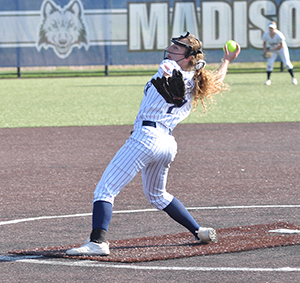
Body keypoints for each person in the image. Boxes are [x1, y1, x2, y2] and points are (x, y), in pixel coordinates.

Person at [66, 32, 240, 256]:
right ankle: (198, 231)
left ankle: (97, 242)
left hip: (146, 138)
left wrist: (169, 70)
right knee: (157, 195)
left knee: (105, 190)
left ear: (188, 57)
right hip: (167, 143)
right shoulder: (196, 79)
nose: (170, 50)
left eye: (176, 48)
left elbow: (167, 68)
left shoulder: (169, 66)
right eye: (171, 46)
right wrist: (227, 60)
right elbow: (216, 80)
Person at [262, 21, 297, 85]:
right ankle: (268, 80)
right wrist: (265, 50)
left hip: (282, 49)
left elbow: (281, 45)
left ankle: (293, 78)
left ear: (275, 28)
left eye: (272, 28)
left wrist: (272, 49)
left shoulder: (279, 35)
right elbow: (264, 43)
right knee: (270, 64)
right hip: (273, 49)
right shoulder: (266, 35)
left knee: (287, 63)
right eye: (270, 28)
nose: (271, 29)